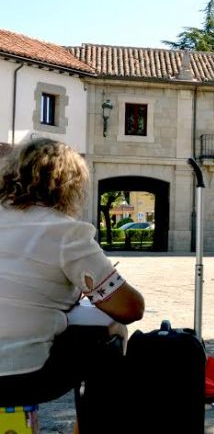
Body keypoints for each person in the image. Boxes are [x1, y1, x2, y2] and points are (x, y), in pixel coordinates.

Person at [0, 137, 145, 433]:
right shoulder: (66, 232)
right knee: (110, 336)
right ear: (68, 185)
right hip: (19, 376)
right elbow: (130, 307)